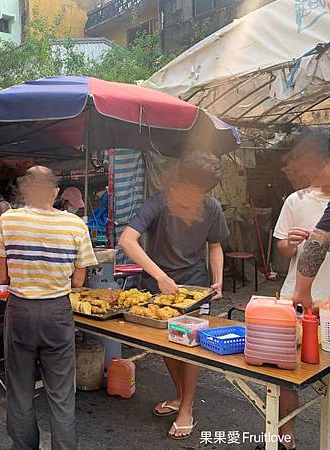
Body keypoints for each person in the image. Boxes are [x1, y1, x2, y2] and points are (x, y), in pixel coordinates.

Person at [119, 152, 229, 440]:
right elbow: (127, 240)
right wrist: (160, 276)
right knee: (166, 345)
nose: (195, 199)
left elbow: (215, 244)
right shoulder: (158, 203)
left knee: (189, 347)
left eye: (200, 193)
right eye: (191, 191)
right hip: (158, 289)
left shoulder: (212, 207)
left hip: (195, 287)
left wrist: (218, 279)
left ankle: (187, 408)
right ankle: (180, 397)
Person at [0, 166, 97, 450]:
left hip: (20, 310)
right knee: (61, 394)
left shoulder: (7, 221)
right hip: (57, 312)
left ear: (25, 190)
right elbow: (78, 279)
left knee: (21, 390)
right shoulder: (75, 225)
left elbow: (0, 278)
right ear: (54, 192)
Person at [272, 130, 330, 450]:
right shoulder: (297, 200)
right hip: (295, 300)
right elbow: (286, 248)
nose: (301, 170)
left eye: (308, 162)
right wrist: (290, 243)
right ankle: (286, 438)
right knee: (285, 371)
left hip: (326, 303)